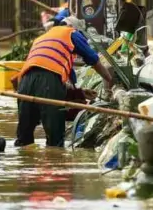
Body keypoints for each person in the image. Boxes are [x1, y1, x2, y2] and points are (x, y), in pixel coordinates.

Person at [15, 16, 115, 148]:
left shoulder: (42, 38)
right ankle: (57, 162)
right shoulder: (71, 33)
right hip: (48, 81)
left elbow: (48, 74)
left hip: (24, 82)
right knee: (55, 139)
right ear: (74, 28)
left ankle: (23, 163)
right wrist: (110, 80)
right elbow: (92, 59)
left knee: (24, 138)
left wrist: (80, 93)